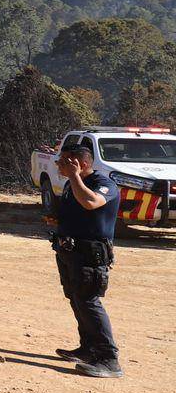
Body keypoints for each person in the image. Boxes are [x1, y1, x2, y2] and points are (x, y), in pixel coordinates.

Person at [50, 142, 123, 378]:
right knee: (76, 299)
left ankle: (108, 359)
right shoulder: (73, 183)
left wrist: (74, 177)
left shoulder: (104, 184)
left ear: (79, 164)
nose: (58, 164)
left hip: (91, 254)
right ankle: (88, 348)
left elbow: (91, 202)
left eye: (64, 161)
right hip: (70, 251)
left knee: (89, 301)